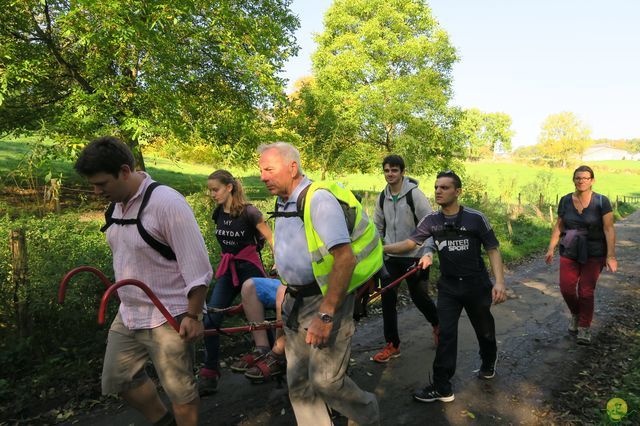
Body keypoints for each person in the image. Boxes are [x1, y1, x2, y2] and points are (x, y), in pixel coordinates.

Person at [74, 136, 212, 426]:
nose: (96, 192)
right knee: (117, 379)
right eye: (93, 185)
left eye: (102, 184)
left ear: (125, 171)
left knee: (180, 393)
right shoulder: (115, 206)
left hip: (169, 315)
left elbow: (197, 267)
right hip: (129, 313)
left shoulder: (166, 204)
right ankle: (165, 422)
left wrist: (193, 314)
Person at [258, 142, 383, 426]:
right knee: (300, 382)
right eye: (261, 170)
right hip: (295, 299)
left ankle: (368, 416)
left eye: (269, 169)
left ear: (292, 168)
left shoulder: (318, 201)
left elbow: (345, 259)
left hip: (325, 300)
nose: (263, 176)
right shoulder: (283, 199)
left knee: (326, 381)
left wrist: (326, 314)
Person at [384, 170, 507, 404]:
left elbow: (492, 248)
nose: (438, 191)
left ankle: (488, 361)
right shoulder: (431, 220)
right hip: (449, 288)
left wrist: (499, 282)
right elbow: (411, 243)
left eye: (445, 187)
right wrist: (381, 249)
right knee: (446, 334)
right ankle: (442, 386)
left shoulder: (475, 218)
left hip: (476, 285)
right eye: (437, 187)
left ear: (458, 191)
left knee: (485, 331)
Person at [199, 169, 282, 395]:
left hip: (250, 268)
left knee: (268, 316)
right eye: (210, 191)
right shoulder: (218, 214)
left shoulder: (250, 212)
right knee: (211, 318)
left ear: (229, 187)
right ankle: (210, 371)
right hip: (228, 270)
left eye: (215, 190)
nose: (212, 194)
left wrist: (278, 263)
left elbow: (271, 238)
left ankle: (275, 360)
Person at [372, 154, 439, 363]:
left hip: (415, 256)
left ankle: (438, 325)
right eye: (386, 170)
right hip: (390, 256)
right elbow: (377, 228)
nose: (390, 174)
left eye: (394, 170)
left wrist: (428, 252)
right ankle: (392, 344)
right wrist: (373, 248)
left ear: (402, 172)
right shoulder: (382, 197)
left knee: (419, 298)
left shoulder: (414, 195)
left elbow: (431, 225)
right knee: (388, 298)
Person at [545, 165, 617, 345]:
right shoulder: (565, 200)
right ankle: (576, 314)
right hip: (569, 249)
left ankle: (584, 327)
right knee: (566, 288)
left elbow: (608, 229)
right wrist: (551, 248)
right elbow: (559, 226)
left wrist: (611, 256)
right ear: (573, 180)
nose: (581, 181)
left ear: (592, 180)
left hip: (594, 252)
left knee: (586, 290)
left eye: (585, 178)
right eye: (578, 178)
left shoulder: (602, 201)